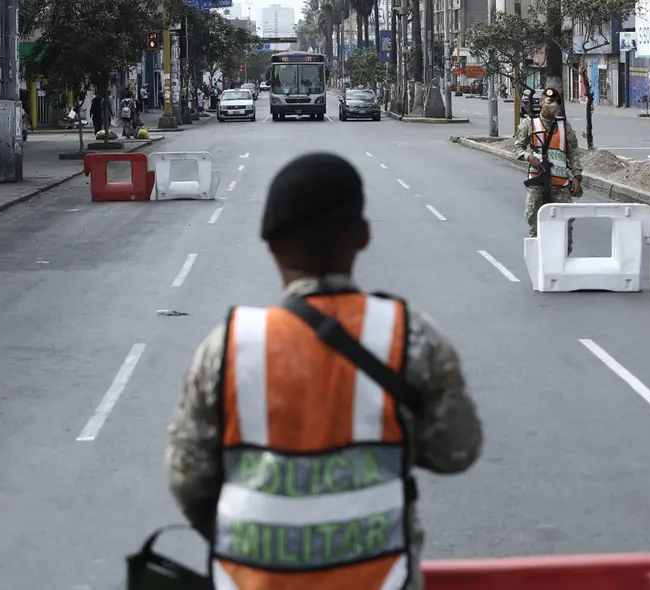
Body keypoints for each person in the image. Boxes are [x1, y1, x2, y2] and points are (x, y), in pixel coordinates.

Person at [165, 153, 483, 590]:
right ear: (363, 237)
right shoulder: (409, 337)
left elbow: (188, 479)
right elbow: (458, 450)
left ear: (272, 244)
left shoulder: (227, 349)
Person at [514, 87, 584, 254]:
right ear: (541, 102)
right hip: (537, 181)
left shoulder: (564, 126)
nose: (553, 105)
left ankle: (563, 259)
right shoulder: (529, 124)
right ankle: (537, 257)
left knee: (565, 223)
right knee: (533, 217)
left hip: (561, 184)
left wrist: (577, 176)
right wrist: (527, 156)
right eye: (550, 101)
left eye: (556, 103)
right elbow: (517, 147)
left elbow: (574, 152)